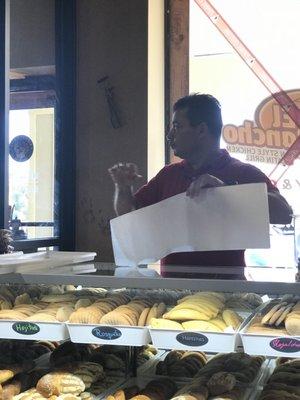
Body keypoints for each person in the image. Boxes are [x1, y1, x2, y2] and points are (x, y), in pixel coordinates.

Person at [108, 94, 292, 278]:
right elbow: (129, 216)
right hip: (173, 293)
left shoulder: (242, 173)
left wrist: (227, 191)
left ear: (202, 130)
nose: (170, 135)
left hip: (228, 293)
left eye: (177, 126)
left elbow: (284, 214)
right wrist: (122, 188)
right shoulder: (168, 175)